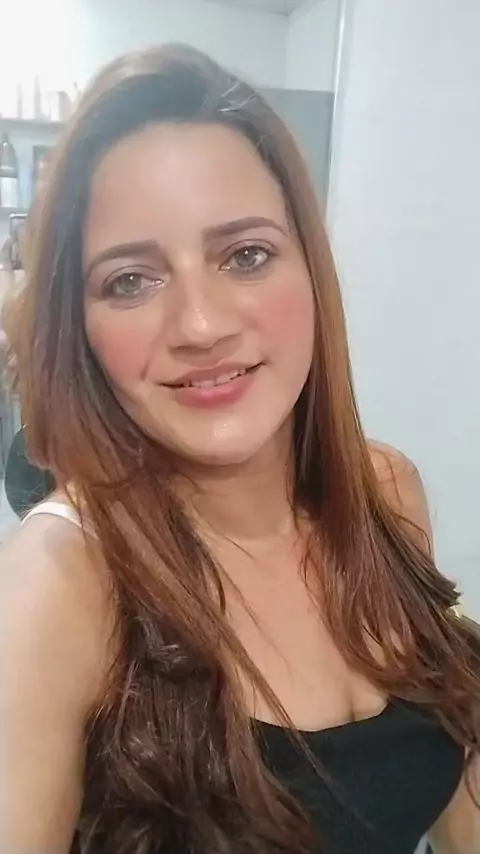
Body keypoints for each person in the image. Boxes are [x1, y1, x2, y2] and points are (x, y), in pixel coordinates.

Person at [0, 44, 478, 854]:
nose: (200, 324)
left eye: (246, 255)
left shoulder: (386, 494)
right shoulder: (58, 584)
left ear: (310, 270)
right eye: (130, 280)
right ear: (79, 327)